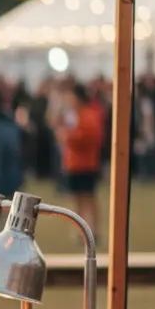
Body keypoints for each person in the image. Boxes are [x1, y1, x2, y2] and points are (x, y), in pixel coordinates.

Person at [59, 83, 104, 233]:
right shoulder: (72, 115)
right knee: (76, 199)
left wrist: (69, 136)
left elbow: (91, 137)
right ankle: (79, 230)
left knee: (89, 198)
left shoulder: (89, 115)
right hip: (73, 164)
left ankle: (94, 230)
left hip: (86, 164)